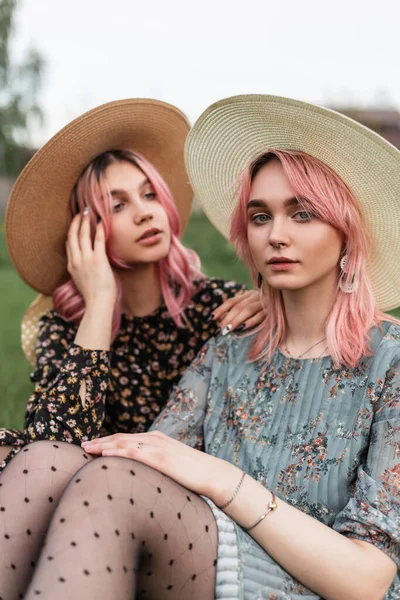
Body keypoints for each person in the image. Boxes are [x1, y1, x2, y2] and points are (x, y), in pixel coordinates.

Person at [4, 94, 400, 599]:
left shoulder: (386, 359)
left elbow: (369, 582)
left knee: (107, 482)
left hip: (294, 576)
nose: (277, 235)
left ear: (346, 234)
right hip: (193, 548)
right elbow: (138, 455)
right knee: (45, 463)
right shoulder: (229, 348)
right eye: (260, 217)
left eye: (302, 214)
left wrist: (221, 478)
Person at [0, 99, 264, 597]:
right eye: (118, 205)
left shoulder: (219, 307)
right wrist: (99, 301)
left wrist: (272, 303)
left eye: (149, 194)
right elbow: (51, 442)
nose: (145, 212)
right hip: (79, 503)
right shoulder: (69, 326)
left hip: (183, 519)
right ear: (87, 232)